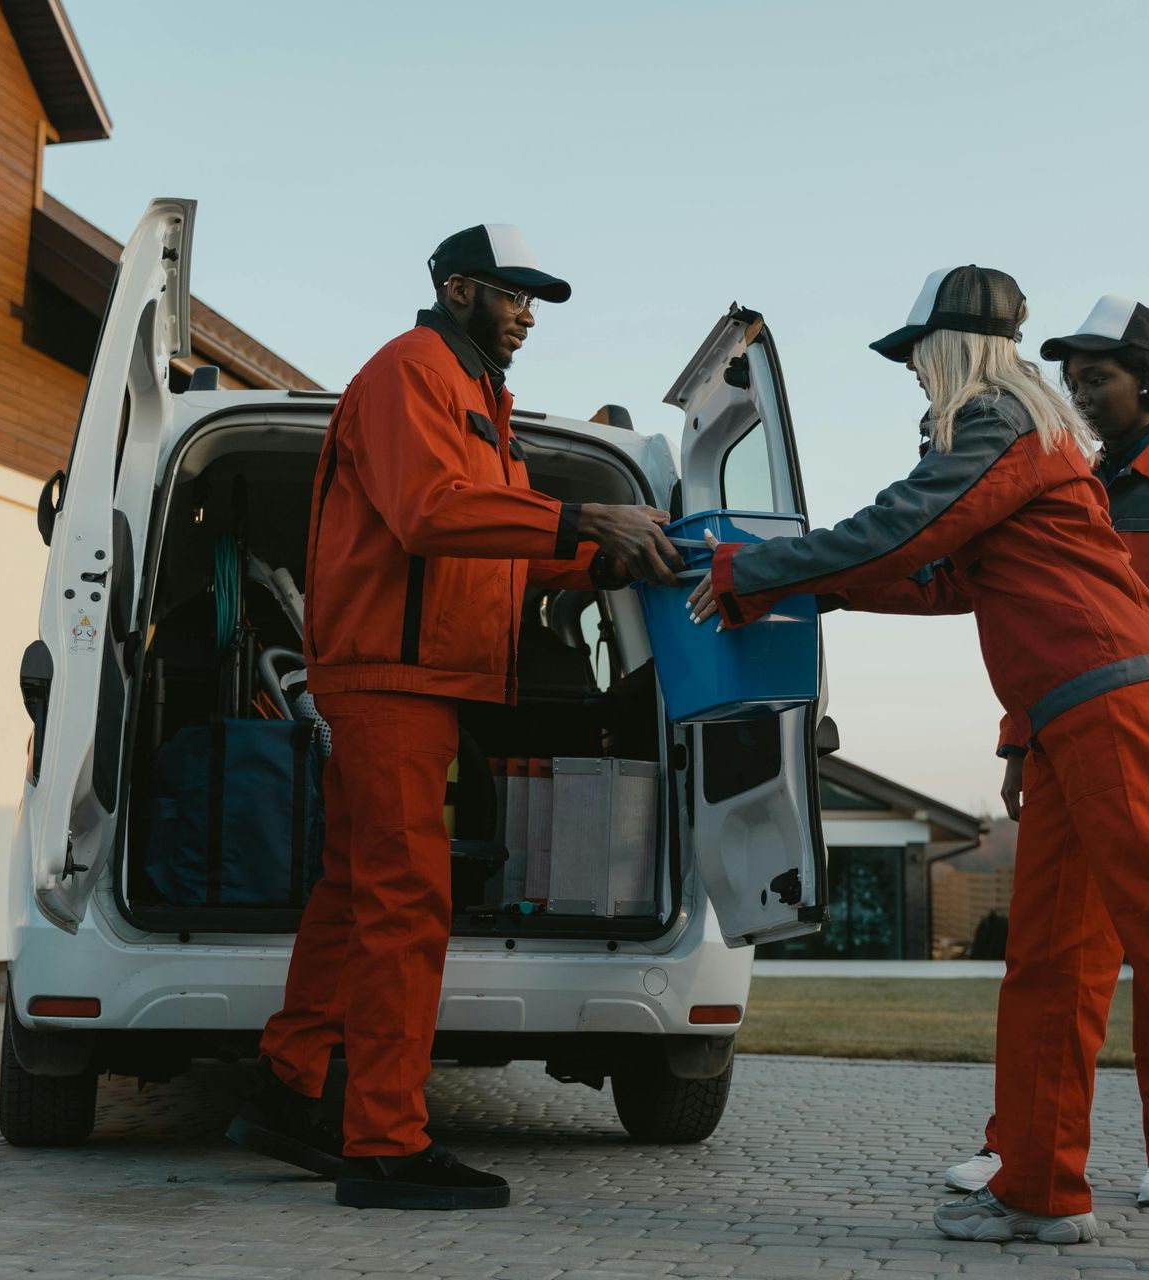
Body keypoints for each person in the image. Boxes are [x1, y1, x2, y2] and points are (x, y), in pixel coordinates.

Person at [685, 266, 1149, 1279]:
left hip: (1112, 700)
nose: (913, 380)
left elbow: (904, 523)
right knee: (1051, 964)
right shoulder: (1027, 441)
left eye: (915, 358)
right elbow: (933, 573)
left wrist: (746, 571)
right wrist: (789, 590)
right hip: (1066, 716)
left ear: (951, 350)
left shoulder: (997, 422)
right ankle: (1038, 1188)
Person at [228, 224, 681, 1211]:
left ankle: (288, 1083)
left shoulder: (482, 401)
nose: (527, 314)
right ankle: (386, 1142)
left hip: (425, 679)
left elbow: (502, 541)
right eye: (515, 295)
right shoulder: (409, 373)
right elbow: (430, 511)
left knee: (355, 889)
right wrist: (583, 519)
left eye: (537, 301)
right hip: (393, 678)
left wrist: (597, 558)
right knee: (404, 900)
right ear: (460, 285)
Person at [946, 296, 1149, 1211]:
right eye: (1071, 377)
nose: (1079, 390)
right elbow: (1030, 620)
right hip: (1067, 745)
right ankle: (1024, 1153)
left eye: (1099, 375)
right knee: (1056, 962)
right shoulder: (1064, 471)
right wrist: (1016, 747)